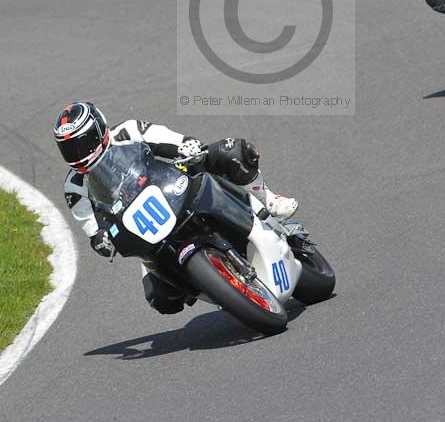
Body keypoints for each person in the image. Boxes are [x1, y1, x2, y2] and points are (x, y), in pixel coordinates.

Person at [54, 102, 298, 314]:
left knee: (232, 152)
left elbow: (168, 139)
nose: (77, 153)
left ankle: (268, 199)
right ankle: (220, 286)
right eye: (69, 148)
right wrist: (101, 241)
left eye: (82, 143)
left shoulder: (127, 131)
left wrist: (187, 146)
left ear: (98, 131)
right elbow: (92, 228)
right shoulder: (73, 186)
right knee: (160, 298)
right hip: (148, 226)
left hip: (175, 184)